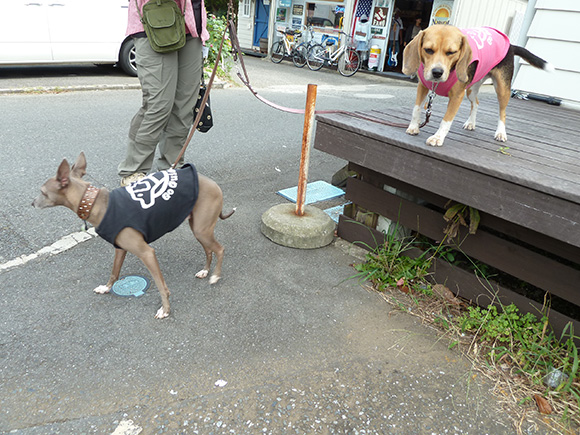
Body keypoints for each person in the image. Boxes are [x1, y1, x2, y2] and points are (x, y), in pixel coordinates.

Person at [118, 0, 209, 186]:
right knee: (158, 104)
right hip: (153, 20)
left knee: (184, 106)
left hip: (191, 25)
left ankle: (172, 167)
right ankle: (133, 169)